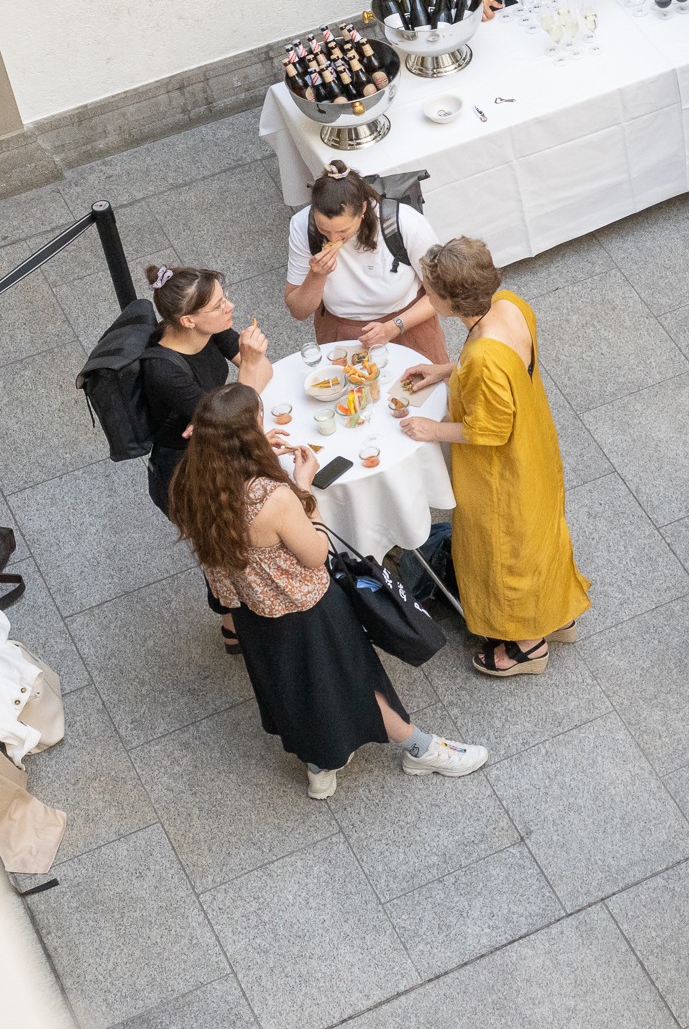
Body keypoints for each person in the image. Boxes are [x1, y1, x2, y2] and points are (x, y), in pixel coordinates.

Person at [168, 385, 486, 797]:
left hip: (252, 614)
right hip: (309, 609)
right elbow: (316, 553)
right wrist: (305, 491)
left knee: (298, 688)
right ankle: (420, 748)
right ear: (250, 430)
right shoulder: (274, 498)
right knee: (355, 679)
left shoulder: (190, 487)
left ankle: (321, 765)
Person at [396, 238, 593, 674]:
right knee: (539, 536)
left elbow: (487, 430)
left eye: (430, 290)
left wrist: (431, 429)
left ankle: (527, 645)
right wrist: (446, 370)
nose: (424, 295)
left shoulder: (483, 354)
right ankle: (555, 615)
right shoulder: (509, 304)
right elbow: (501, 363)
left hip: (502, 471)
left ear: (451, 299)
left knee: (506, 550)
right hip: (535, 445)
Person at [139, 264, 271, 517]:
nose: (229, 307)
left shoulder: (209, 329)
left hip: (216, 446)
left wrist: (226, 409)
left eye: (225, 298)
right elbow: (237, 420)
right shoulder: (164, 370)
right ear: (188, 320)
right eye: (218, 305)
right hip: (188, 469)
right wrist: (248, 369)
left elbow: (265, 371)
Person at [282, 164, 445, 359]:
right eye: (324, 229)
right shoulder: (302, 226)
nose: (333, 239)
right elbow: (298, 311)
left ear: (363, 209)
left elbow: (444, 294)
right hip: (341, 331)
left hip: (407, 324)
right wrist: (316, 276)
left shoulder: (407, 224)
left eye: (343, 231)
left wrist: (395, 327)